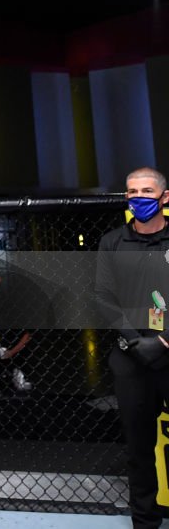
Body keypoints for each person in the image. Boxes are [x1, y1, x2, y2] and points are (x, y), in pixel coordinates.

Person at [94, 166, 169, 529]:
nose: (138, 198)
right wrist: (134, 341)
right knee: (139, 450)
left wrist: (164, 341)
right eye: (132, 192)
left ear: (164, 197)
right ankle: (145, 521)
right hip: (131, 358)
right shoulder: (112, 241)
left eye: (147, 191)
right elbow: (103, 298)